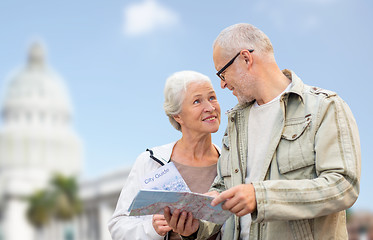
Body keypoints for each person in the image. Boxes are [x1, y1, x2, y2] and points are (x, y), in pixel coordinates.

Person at [164, 23, 361, 240]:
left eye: (222, 72)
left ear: (246, 59)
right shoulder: (235, 122)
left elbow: (343, 185)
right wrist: (196, 226)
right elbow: (222, 190)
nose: (222, 84)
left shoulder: (324, 107)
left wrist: (261, 197)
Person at [108, 70, 222, 240]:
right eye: (197, 101)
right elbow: (118, 226)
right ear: (178, 116)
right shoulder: (150, 161)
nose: (210, 107)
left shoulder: (230, 163)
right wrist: (152, 229)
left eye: (212, 97)